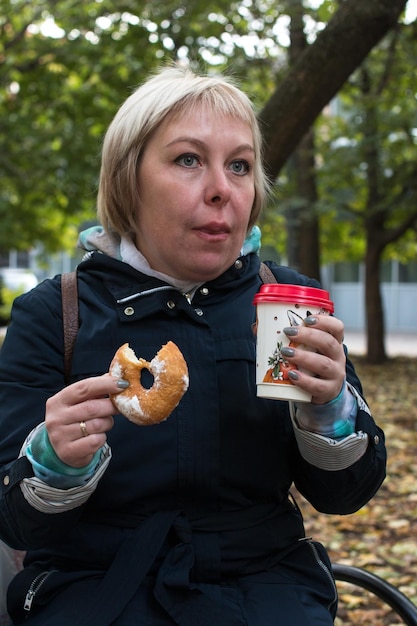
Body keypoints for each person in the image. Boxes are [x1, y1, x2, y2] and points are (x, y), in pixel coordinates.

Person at [0, 64, 386, 626]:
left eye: (239, 166)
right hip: (95, 589)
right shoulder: (54, 314)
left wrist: (330, 415)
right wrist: (54, 462)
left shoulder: (290, 306)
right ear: (128, 179)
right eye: (188, 160)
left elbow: (346, 495)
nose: (220, 189)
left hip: (266, 588)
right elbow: (13, 522)